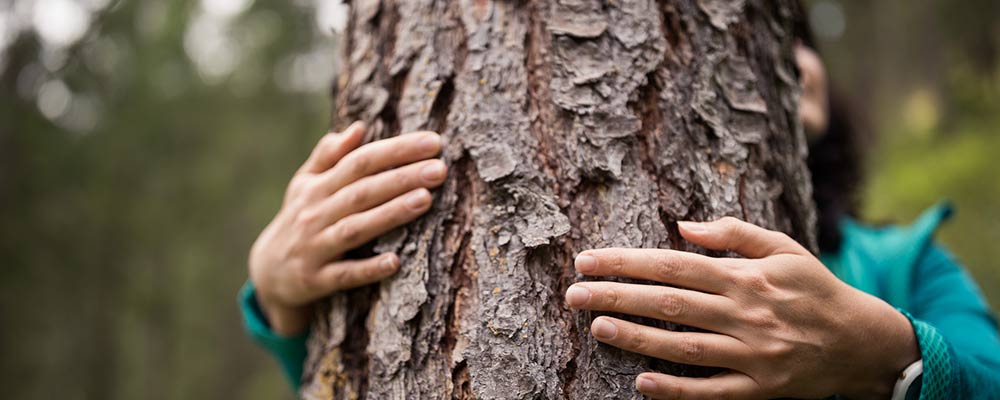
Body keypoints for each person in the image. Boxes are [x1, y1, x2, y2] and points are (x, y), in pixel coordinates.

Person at [238, 33, 1000, 400]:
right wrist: (277, 296)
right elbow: (355, 372)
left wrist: (882, 351)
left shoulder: (905, 261)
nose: (788, 57)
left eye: (791, 32)